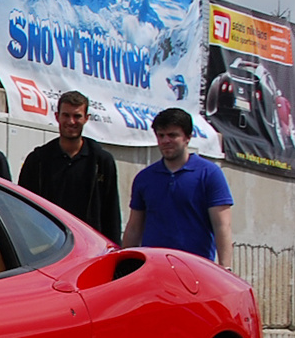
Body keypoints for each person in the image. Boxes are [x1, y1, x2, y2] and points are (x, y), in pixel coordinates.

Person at [122, 107, 234, 267]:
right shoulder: (144, 178)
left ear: (188, 137)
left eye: (172, 135)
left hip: (196, 269)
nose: (165, 141)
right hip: (153, 268)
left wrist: (225, 268)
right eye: (161, 135)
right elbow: (134, 227)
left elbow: (222, 225)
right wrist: (123, 265)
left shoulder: (209, 174)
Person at [16, 90, 122, 241]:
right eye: (66, 115)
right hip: (47, 246)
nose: (71, 121)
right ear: (57, 116)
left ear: (86, 118)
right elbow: (22, 210)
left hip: (90, 247)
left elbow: (111, 213)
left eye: (77, 116)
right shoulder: (37, 160)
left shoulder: (102, 161)